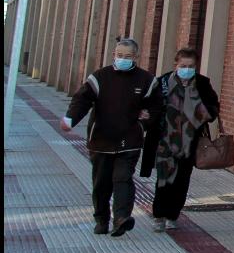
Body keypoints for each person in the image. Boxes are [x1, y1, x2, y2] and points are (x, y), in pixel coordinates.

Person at [63, 38, 153, 237]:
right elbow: (82, 100)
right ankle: (101, 219)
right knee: (101, 182)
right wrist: (70, 119)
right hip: (101, 139)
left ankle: (121, 218)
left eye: (127, 56)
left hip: (129, 139)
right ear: (114, 55)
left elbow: (156, 106)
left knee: (122, 178)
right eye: (119, 55)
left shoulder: (146, 80)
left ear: (135, 57)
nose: (123, 59)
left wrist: (146, 119)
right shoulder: (100, 77)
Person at [143, 46, 221, 231]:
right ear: (176, 64)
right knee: (164, 179)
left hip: (189, 140)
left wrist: (199, 113)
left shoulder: (202, 83)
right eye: (183, 65)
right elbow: (150, 106)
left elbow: (213, 107)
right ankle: (159, 215)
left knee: (182, 180)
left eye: (191, 66)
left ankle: (173, 215)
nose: (187, 69)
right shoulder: (162, 82)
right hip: (165, 140)